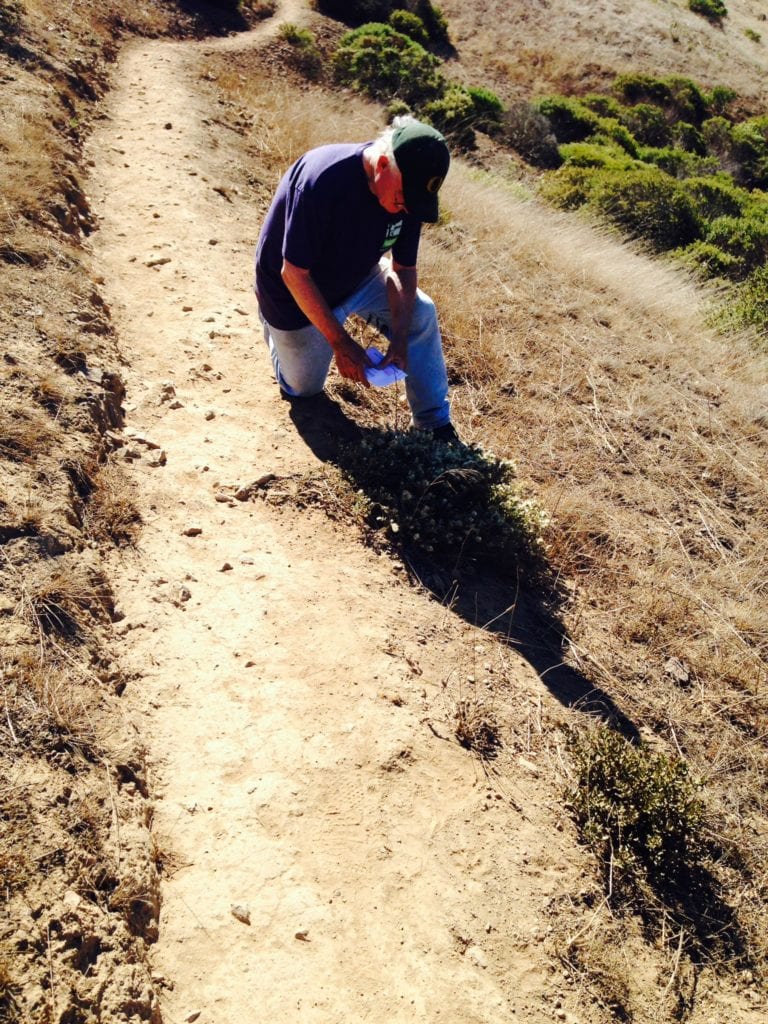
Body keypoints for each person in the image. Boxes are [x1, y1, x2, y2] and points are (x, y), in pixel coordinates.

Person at [254, 115, 458, 442]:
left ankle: (434, 423)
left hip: (358, 277)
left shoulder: (409, 196)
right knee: (304, 389)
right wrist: (340, 341)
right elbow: (293, 273)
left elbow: (403, 269)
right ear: (381, 164)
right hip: (293, 292)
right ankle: (274, 331)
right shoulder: (322, 180)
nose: (406, 210)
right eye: (404, 200)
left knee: (421, 312)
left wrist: (401, 336)